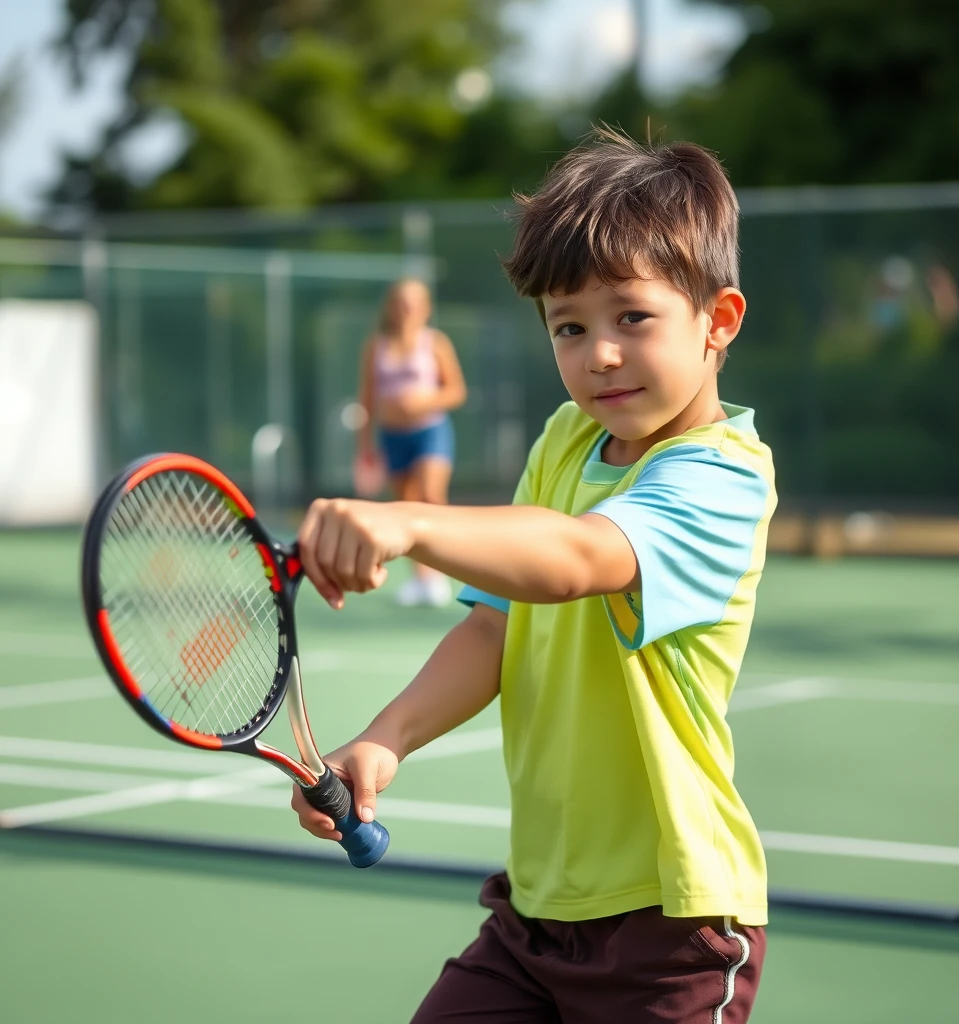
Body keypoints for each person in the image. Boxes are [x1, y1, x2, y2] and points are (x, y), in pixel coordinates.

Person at [293, 128, 777, 1023]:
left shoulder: (723, 475)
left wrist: (409, 522)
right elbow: (496, 625)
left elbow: (575, 559)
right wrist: (387, 736)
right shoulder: (565, 439)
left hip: (672, 925)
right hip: (535, 913)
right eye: (569, 325)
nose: (598, 353)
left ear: (717, 321)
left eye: (632, 316)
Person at [355, 278, 466, 607]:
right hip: (392, 438)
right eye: (402, 303)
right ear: (391, 307)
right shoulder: (376, 346)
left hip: (430, 432)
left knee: (430, 496)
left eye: (415, 303)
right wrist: (364, 450)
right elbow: (367, 401)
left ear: (426, 309)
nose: (408, 310)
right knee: (405, 507)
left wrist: (423, 402)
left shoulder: (435, 343)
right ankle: (422, 578)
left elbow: (456, 391)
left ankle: (443, 571)